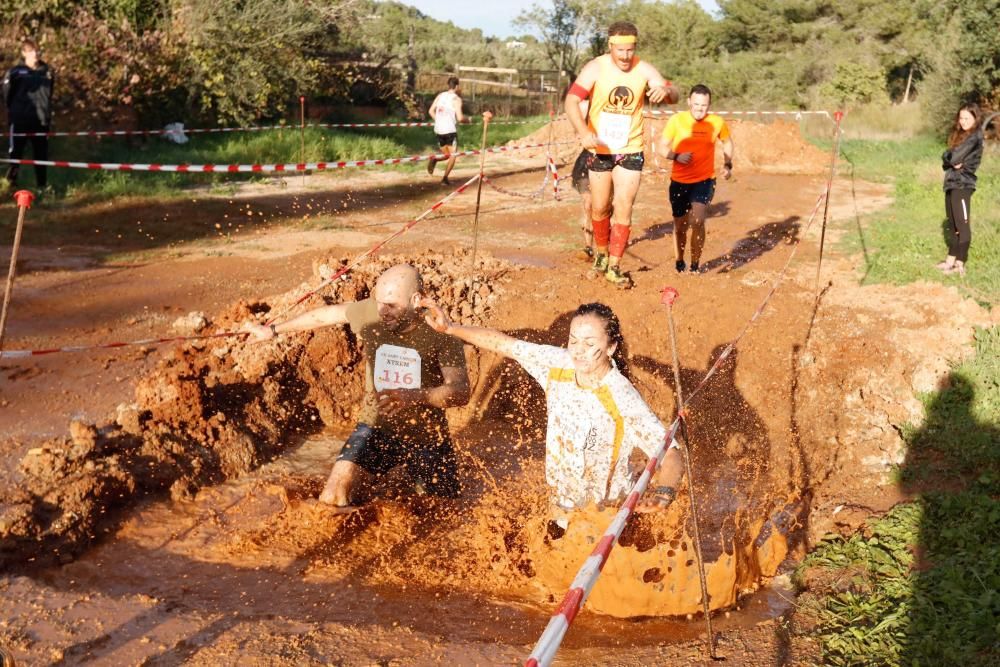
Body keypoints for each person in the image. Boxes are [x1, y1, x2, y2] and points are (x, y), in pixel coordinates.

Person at [421, 299, 684, 535]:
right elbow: (503, 343)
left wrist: (664, 493)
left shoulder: (622, 397)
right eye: (573, 341)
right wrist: (451, 328)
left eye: (590, 343)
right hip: (558, 512)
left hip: (606, 520)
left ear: (611, 347)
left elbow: (671, 453)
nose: (578, 351)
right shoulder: (558, 364)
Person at [243, 264, 472, 508]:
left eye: (392, 305)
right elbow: (325, 315)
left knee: (442, 512)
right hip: (375, 427)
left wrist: (415, 396)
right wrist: (273, 331)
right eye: (379, 303)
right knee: (333, 492)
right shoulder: (372, 313)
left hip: (425, 437)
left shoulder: (441, 334)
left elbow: (460, 391)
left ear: (416, 300)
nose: (383, 311)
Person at [565, 21, 679, 288]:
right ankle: (601, 255)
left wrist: (667, 90)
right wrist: (583, 132)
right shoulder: (596, 67)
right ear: (611, 46)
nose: (626, 56)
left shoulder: (644, 68)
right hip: (600, 149)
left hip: (630, 148)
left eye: (631, 50)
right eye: (621, 51)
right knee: (600, 206)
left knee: (624, 206)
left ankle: (615, 266)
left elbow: (674, 94)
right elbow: (571, 101)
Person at [656, 84, 734, 274]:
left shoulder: (716, 122)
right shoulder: (677, 120)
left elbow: (727, 142)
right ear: (689, 102)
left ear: (709, 105)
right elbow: (661, 147)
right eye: (697, 104)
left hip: (704, 180)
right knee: (680, 225)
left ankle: (695, 265)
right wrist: (676, 156)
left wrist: (728, 164)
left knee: (698, 220)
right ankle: (680, 261)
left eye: (704, 105)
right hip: (679, 181)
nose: (700, 109)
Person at [937, 103, 984, 277]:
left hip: (962, 185)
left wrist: (949, 157)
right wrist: (949, 158)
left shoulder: (975, 137)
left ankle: (960, 264)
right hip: (951, 182)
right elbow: (946, 158)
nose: (963, 122)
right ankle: (950, 260)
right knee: (953, 225)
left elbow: (953, 156)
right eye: (961, 118)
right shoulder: (960, 136)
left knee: (962, 226)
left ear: (975, 118)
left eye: (967, 118)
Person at [3, 38, 54, 194]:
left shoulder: (47, 71)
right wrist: (15, 111)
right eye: (31, 51)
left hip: (40, 121)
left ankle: (42, 187)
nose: (35, 54)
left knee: (41, 156)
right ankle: (10, 186)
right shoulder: (15, 72)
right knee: (15, 155)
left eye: (37, 51)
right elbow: (6, 94)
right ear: (24, 53)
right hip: (19, 121)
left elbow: (50, 93)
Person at [427, 76, 465, 186]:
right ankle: (445, 179)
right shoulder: (457, 99)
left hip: (439, 130)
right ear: (457, 86)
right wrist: (469, 120)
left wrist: (439, 121)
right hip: (450, 130)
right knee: (453, 155)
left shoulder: (440, 96)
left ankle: (434, 160)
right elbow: (460, 118)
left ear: (448, 85)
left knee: (447, 155)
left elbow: (430, 111)